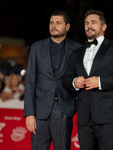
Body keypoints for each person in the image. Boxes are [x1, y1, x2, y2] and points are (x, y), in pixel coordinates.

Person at [63, 9, 113, 150]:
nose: (89, 25)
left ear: (103, 27)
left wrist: (101, 81)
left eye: (93, 22)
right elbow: (66, 78)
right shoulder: (77, 53)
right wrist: (74, 82)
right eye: (86, 23)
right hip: (84, 117)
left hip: (109, 116)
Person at [23, 11, 81, 150]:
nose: (53, 26)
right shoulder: (37, 47)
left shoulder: (78, 49)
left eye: (58, 23)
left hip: (64, 111)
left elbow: (80, 79)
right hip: (39, 113)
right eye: (51, 22)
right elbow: (30, 81)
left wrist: (73, 108)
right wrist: (29, 114)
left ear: (67, 27)